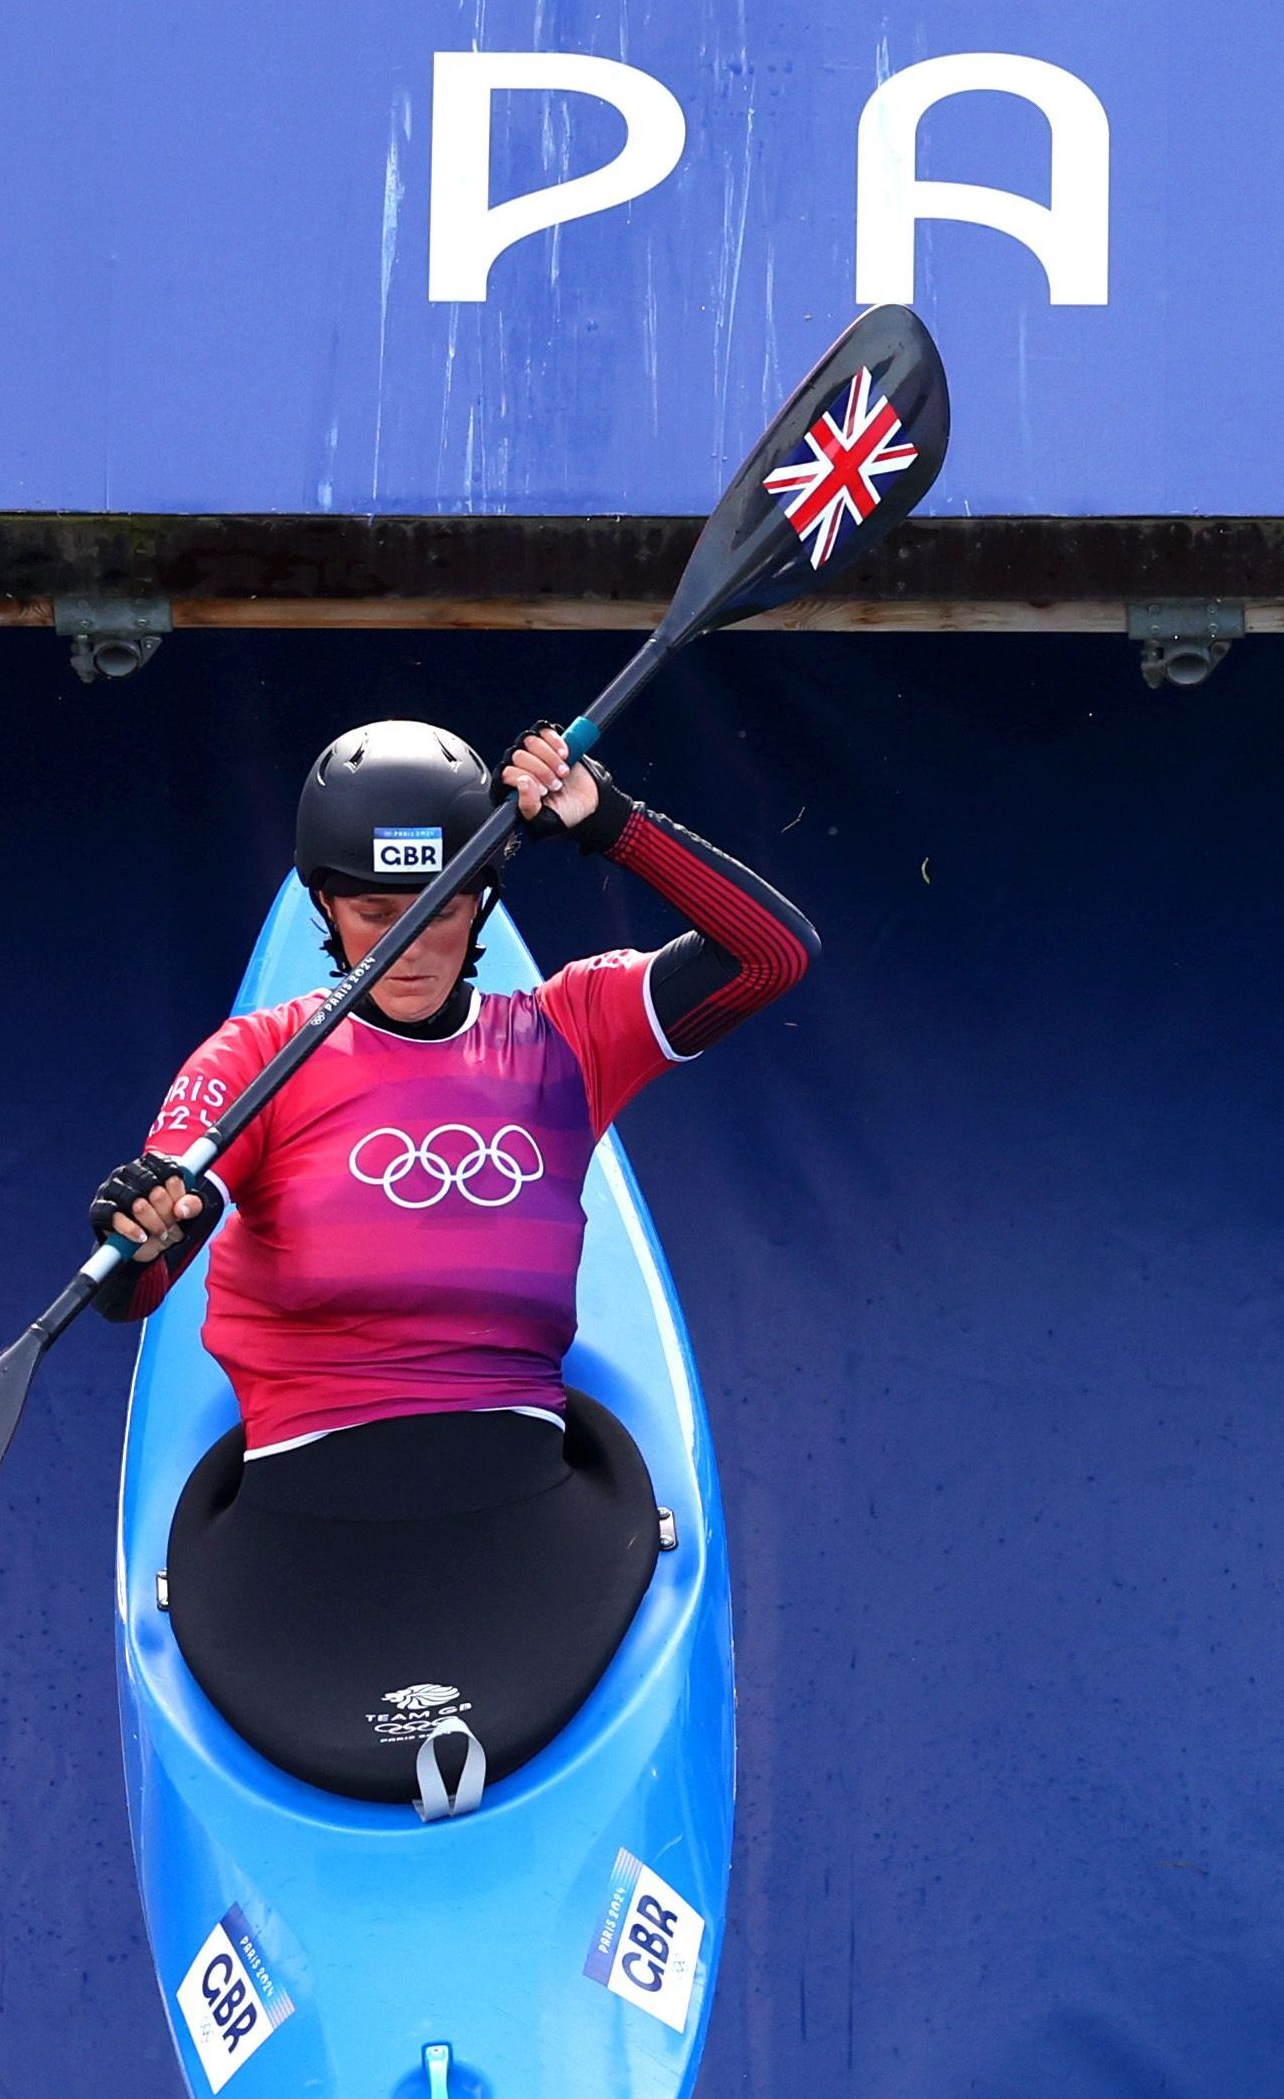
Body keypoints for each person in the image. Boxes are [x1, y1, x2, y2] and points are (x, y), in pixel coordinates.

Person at [92, 720, 816, 1807]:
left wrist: (613, 825)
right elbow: (134, 1287)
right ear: (325, 907)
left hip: (519, 1502)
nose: (409, 945)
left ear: (483, 902)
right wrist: (145, 1229)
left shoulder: (570, 1032)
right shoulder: (251, 1061)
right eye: (377, 913)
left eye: (442, 908)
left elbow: (774, 954)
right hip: (307, 1520)